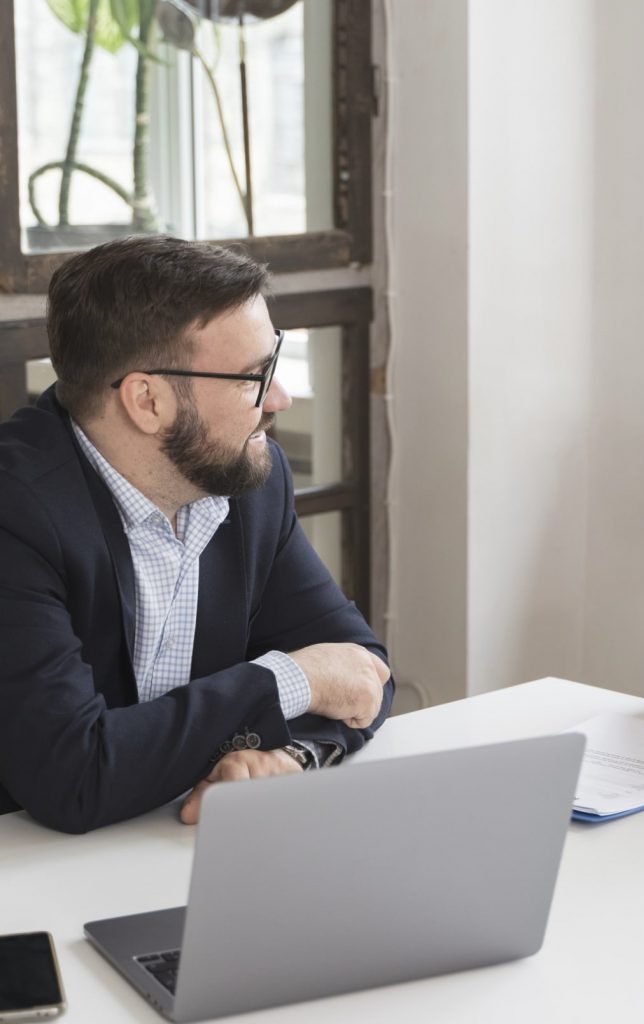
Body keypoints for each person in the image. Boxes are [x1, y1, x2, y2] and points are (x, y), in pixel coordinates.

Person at [0, 235, 393, 833]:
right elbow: (72, 777)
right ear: (147, 400)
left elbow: (361, 671)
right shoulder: (15, 512)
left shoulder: (250, 479)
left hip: (180, 840)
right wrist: (293, 679)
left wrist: (290, 756)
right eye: (253, 378)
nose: (279, 399)